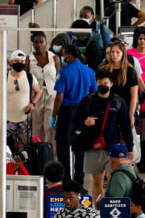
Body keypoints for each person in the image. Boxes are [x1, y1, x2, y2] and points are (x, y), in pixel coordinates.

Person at [76, 70, 133, 202]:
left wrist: (130, 148)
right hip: (92, 148)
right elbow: (75, 121)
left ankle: (113, 210)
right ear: (96, 83)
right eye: (100, 82)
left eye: (106, 83)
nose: (103, 85)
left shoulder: (118, 102)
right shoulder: (87, 101)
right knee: (97, 182)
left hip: (113, 149)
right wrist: (85, 122)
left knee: (114, 180)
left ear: (111, 84)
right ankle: (100, 210)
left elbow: (125, 126)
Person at [53, 44, 98, 184]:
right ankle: (79, 183)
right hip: (83, 113)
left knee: (63, 148)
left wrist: (55, 115)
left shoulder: (64, 72)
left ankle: (66, 182)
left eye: (64, 54)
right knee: (80, 149)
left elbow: (59, 97)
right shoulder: (89, 71)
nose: (63, 57)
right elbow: (93, 94)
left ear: (70, 55)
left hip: (67, 113)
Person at [27, 31, 61, 145]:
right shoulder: (29, 59)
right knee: (36, 126)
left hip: (52, 95)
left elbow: (59, 77)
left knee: (48, 126)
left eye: (41, 42)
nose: (39, 44)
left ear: (46, 43)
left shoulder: (54, 58)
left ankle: (47, 150)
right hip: (35, 96)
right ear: (33, 44)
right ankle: (36, 151)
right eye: (36, 42)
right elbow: (26, 79)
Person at [6, 50, 42, 154]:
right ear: (11, 62)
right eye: (16, 61)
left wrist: (32, 103)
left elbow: (38, 91)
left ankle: (22, 168)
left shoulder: (29, 77)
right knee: (7, 147)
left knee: (23, 148)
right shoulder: (4, 77)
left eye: (22, 61)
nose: (19, 63)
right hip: (7, 119)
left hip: (24, 120)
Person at [98, 42, 139, 125]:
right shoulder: (104, 70)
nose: (114, 55)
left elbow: (134, 96)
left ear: (123, 54)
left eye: (118, 52)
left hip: (125, 109)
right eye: (112, 52)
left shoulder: (130, 71)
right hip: (108, 109)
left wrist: (131, 115)